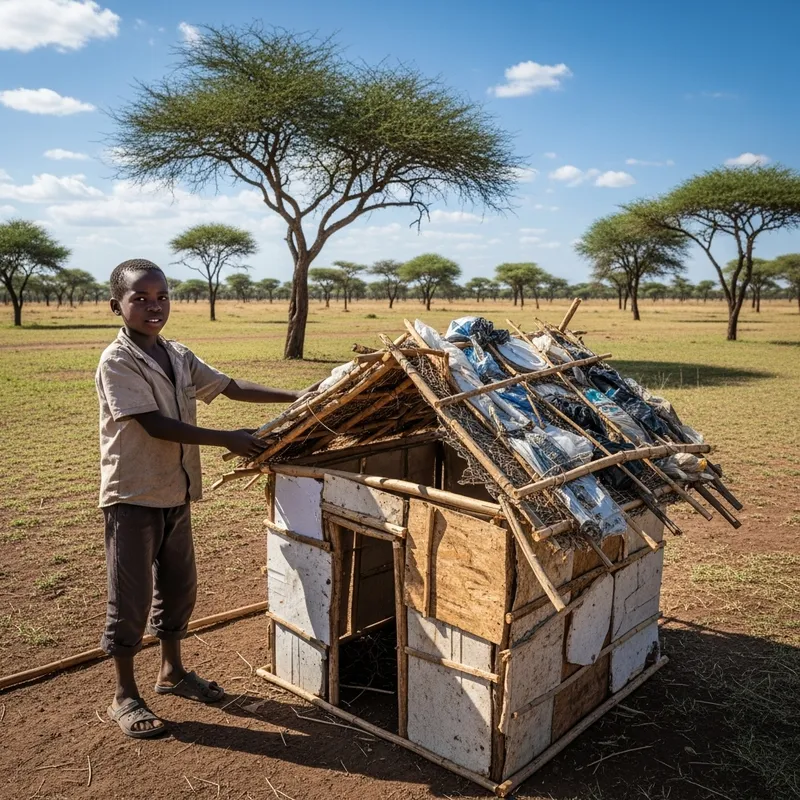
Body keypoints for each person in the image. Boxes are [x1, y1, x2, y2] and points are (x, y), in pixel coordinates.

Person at [97, 258, 302, 739]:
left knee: (179, 587)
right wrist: (227, 438)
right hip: (133, 494)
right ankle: (124, 694)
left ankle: (172, 672)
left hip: (177, 490)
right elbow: (154, 424)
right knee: (130, 599)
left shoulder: (179, 354)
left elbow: (230, 387)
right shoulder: (117, 360)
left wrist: (300, 394)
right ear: (116, 306)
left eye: (161, 296)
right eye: (140, 298)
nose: (154, 306)